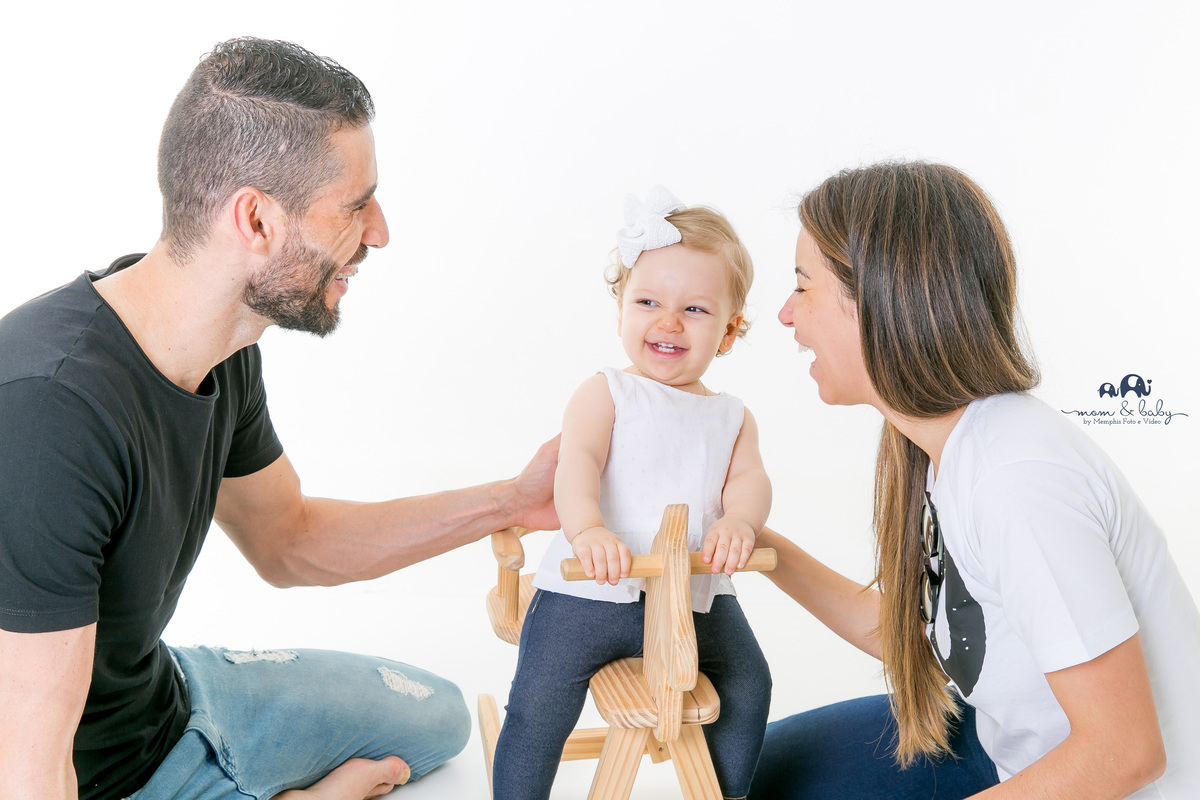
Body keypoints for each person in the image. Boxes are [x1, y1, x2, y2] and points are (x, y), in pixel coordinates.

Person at [0, 38, 558, 800]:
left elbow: (289, 541)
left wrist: (514, 503)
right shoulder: (48, 414)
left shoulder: (220, 345)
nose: (380, 230)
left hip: (160, 705)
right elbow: (28, 767)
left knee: (438, 719)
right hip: (68, 770)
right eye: (355, 205)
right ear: (256, 220)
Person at [749, 162, 1200, 799]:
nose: (785, 315)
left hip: (1107, 784)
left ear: (881, 299)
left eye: (803, 288)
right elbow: (933, 638)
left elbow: (1124, 754)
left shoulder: (1016, 480)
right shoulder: (944, 448)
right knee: (757, 770)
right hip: (1001, 748)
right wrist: (756, 543)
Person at [490, 187, 773, 800]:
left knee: (749, 683)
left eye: (695, 310)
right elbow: (578, 465)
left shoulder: (731, 416)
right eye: (648, 302)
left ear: (730, 330)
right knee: (538, 707)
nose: (667, 322)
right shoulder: (606, 392)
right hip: (590, 589)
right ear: (621, 308)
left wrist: (740, 524)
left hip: (692, 593)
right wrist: (588, 530)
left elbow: (749, 481)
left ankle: (728, 790)